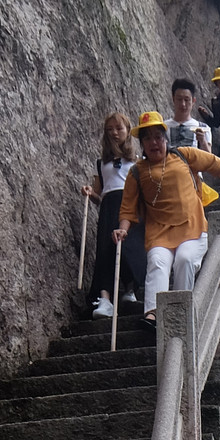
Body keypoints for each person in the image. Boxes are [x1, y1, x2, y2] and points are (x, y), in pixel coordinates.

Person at [114, 110, 220, 329]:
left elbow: (214, 163)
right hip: (159, 232)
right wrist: (123, 229)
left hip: (192, 227)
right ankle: (153, 314)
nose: (153, 142)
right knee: (158, 263)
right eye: (147, 138)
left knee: (185, 261)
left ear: (165, 138)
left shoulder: (183, 155)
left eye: (157, 136)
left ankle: (179, 312)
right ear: (141, 144)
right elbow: (127, 208)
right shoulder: (136, 172)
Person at [81, 112, 147, 317]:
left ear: (128, 131)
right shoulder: (101, 164)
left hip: (131, 205)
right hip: (109, 206)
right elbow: (99, 193)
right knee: (105, 248)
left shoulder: (138, 162)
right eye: (110, 130)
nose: (114, 133)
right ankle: (105, 298)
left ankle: (130, 288)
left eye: (119, 128)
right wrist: (90, 193)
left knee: (130, 246)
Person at [167, 77, 212, 151]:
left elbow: (209, 159)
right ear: (173, 99)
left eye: (186, 100)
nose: (183, 104)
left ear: (193, 101)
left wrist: (203, 141)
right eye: (179, 99)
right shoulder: (163, 128)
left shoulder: (203, 128)